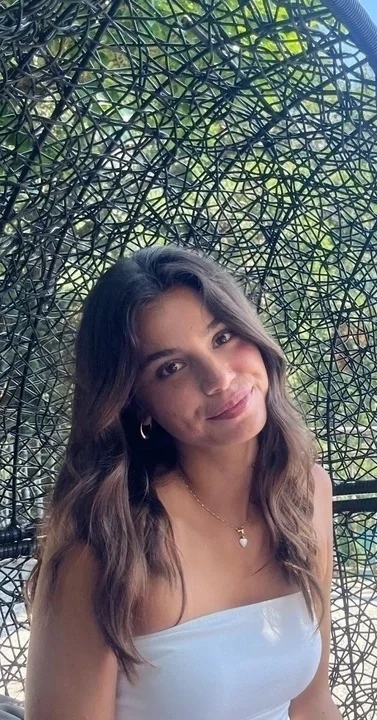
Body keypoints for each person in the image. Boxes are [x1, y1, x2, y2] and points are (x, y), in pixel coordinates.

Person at [24, 246, 342, 720]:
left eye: (222, 337)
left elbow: (312, 705)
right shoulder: (108, 544)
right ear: (137, 403)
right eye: (170, 368)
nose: (218, 378)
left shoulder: (308, 493)